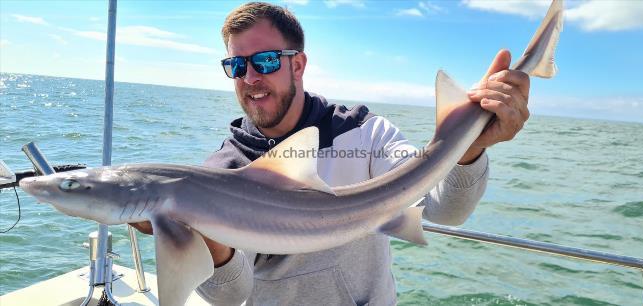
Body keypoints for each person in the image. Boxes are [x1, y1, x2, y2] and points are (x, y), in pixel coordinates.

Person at [133, 2, 530, 305]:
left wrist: (471, 146)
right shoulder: (225, 171)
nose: (251, 77)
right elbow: (231, 294)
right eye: (237, 65)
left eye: (266, 61)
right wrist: (207, 240)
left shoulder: (363, 131)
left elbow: (445, 209)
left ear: (299, 64)